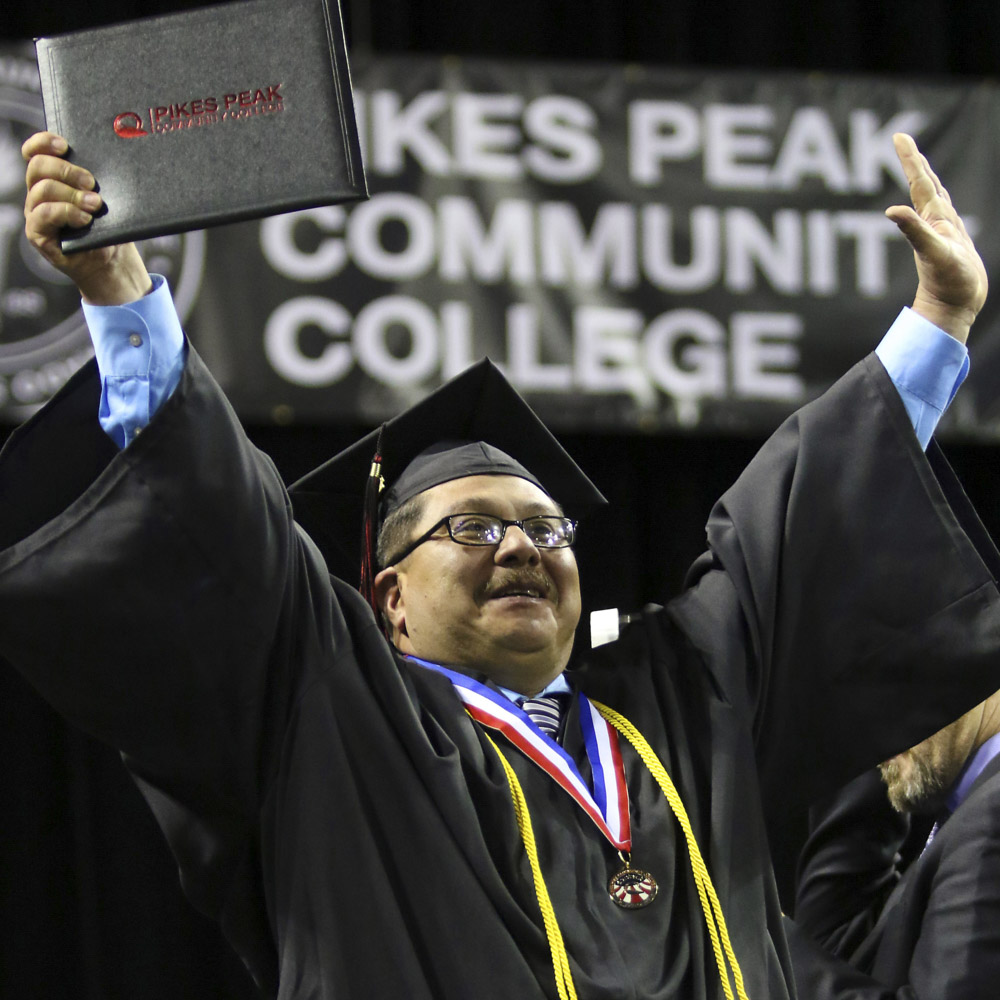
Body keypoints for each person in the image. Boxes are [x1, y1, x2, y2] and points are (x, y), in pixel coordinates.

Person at [1, 128, 997, 1000]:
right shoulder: (340, 720)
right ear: (387, 599)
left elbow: (798, 532)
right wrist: (121, 291)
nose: (522, 544)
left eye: (546, 529)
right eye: (471, 529)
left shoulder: (675, 708)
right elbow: (223, 532)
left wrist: (936, 323)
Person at [786, 690, 1000, 999]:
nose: (873, 724)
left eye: (900, 673)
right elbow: (847, 954)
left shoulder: (990, 816)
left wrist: (760, 945)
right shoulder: (963, 806)